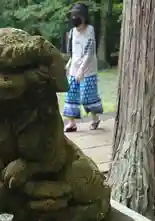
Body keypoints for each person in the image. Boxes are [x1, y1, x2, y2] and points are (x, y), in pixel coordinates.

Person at [63, 3, 103, 132]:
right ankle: (72, 123)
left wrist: (82, 69)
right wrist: (69, 63)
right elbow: (74, 51)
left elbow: (89, 51)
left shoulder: (90, 30)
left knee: (87, 95)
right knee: (71, 94)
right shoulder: (73, 31)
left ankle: (95, 119)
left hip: (88, 68)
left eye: (80, 25)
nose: (78, 28)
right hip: (75, 68)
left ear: (84, 19)